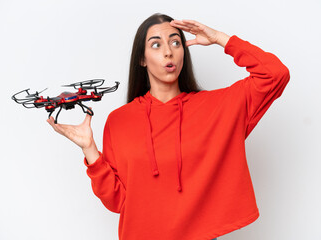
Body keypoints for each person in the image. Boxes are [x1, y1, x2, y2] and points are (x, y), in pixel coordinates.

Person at [47, 13, 290, 240]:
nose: (168, 52)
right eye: (156, 44)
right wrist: (89, 148)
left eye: (175, 43)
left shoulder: (217, 107)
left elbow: (275, 74)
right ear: (142, 59)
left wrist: (220, 39)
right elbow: (119, 201)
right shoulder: (120, 120)